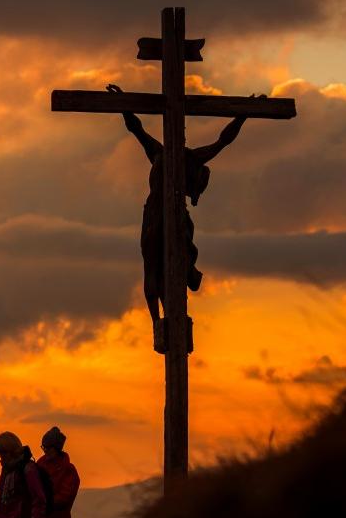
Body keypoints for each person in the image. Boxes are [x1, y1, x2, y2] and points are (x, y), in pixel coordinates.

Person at [105, 83, 261, 353]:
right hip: (157, 216)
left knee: (172, 265)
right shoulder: (162, 153)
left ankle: (171, 316)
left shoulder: (184, 157)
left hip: (171, 217)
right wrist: (124, 105)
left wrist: (242, 116)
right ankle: (160, 322)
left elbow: (223, 141)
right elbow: (137, 129)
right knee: (154, 268)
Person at [36, 426, 80, 518]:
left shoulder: (69, 470)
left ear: (57, 448)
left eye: (48, 447)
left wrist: (42, 501)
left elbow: (64, 498)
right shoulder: (39, 465)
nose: (45, 450)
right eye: (43, 447)